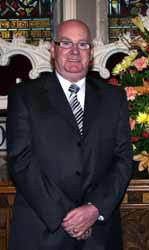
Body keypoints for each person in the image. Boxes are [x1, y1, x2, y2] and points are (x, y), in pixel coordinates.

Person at [7, 19, 133, 250]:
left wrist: (94, 208)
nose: (74, 51)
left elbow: (123, 159)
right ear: (53, 50)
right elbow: (21, 160)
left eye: (82, 44)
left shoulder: (114, 98)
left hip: (99, 234)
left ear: (91, 52)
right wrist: (67, 216)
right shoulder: (25, 95)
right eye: (66, 43)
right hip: (42, 230)